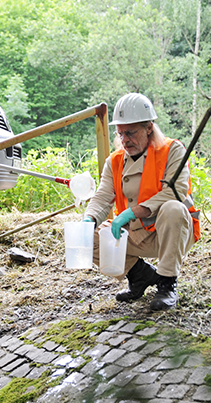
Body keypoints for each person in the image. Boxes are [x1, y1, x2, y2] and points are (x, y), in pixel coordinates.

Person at [82, 93, 201, 311]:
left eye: (130, 132)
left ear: (148, 128)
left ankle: (167, 283)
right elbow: (102, 197)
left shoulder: (173, 150)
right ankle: (140, 276)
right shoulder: (115, 161)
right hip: (134, 234)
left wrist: (131, 212)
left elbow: (176, 191)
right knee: (89, 236)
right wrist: (88, 219)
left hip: (169, 232)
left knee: (173, 208)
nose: (125, 139)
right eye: (120, 133)